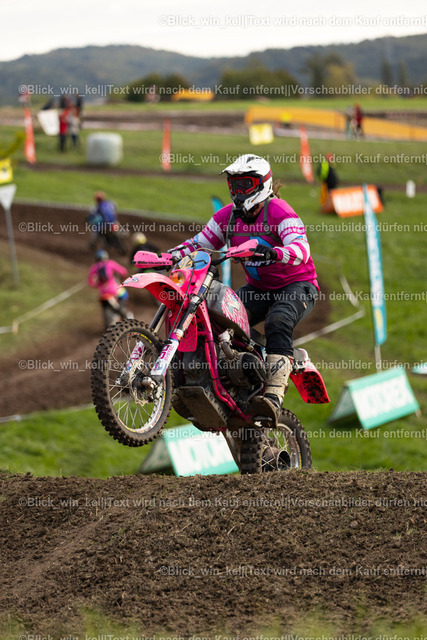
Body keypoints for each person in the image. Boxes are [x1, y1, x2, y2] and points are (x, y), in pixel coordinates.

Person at [168, 154, 319, 422]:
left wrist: (274, 252)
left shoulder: (279, 210)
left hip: (298, 285)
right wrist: (167, 256)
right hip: (258, 288)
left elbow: (301, 249)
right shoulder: (227, 217)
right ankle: (229, 381)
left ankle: (273, 395)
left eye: (245, 184)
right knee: (219, 316)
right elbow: (199, 244)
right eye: (234, 185)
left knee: (278, 320)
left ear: (262, 184)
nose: (238, 191)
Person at [88, 250, 133, 328]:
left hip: (103, 292)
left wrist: (97, 284)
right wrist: (123, 276)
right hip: (113, 289)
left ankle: (119, 314)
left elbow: (91, 282)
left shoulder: (94, 267)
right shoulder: (110, 263)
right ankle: (127, 314)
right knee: (124, 294)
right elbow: (123, 271)